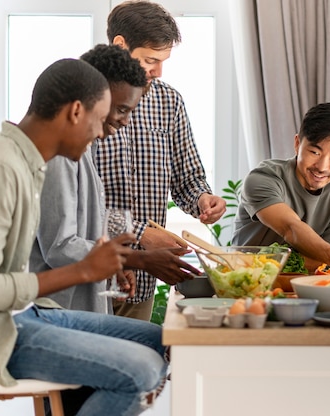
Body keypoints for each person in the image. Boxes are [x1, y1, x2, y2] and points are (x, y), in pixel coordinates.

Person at [0, 58, 170, 416]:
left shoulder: (25, 162)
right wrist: (83, 271)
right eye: (101, 118)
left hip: (24, 314)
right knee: (140, 369)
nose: (103, 132)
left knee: (161, 341)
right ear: (76, 111)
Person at [31, 44, 200, 315]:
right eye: (121, 109)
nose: (124, 121)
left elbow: (87, 225)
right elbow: (60, 247)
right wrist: (138, 259)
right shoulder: (62, 153)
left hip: (83, 304)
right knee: (158, 347)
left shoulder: (85, 148)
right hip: (59, 310)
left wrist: (117, 267)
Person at [95, 0, 226, 321]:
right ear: (120, 45)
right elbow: (75, 205)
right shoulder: (84, 97)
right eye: (150, 60)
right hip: (87, 277)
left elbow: (187, 178)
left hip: (142, 281)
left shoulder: (169, 101)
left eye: (163, 61)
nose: (158, 71)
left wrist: (203, 199)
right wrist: (141, 233)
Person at [232, 102, 330, 274]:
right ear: (297, 144)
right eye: (315, 152)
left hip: (308, 288)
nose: (322, 167)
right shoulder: (263, 178)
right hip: (245, 282)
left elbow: (325, 261)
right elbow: (290, 227)